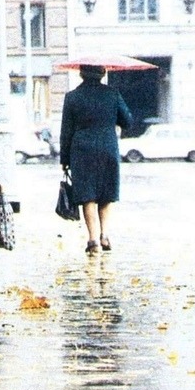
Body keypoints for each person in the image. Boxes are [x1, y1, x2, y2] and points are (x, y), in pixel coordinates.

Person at [59, 64, 132, 253]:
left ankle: (93, 240)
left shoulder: (72, 97)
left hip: (81, 150)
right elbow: (128, 121)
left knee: (87, 194)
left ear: (81, 74)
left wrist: (64, 159)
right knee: (106, 192)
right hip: (108, 147)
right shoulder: (113, 94)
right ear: (102, 74)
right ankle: (105, 235)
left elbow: (66, 132)